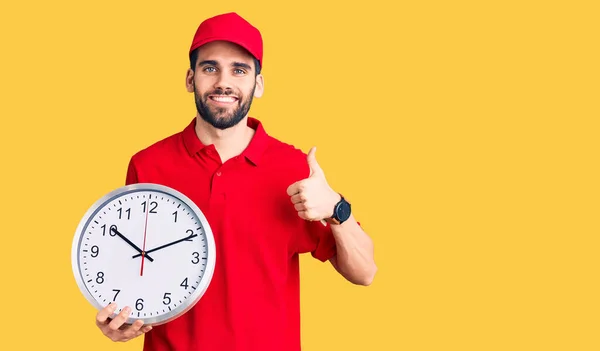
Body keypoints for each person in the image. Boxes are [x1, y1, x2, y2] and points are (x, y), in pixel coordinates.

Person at [93, 12, 377, 351]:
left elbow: (365, 273)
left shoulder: (293, 168)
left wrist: (336, 208)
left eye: (239, 70)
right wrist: (121, 322)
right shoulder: (148, 165)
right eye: (210, 68)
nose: (223, 82)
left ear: (257, 84)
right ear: (189, 79)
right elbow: (132, 268)